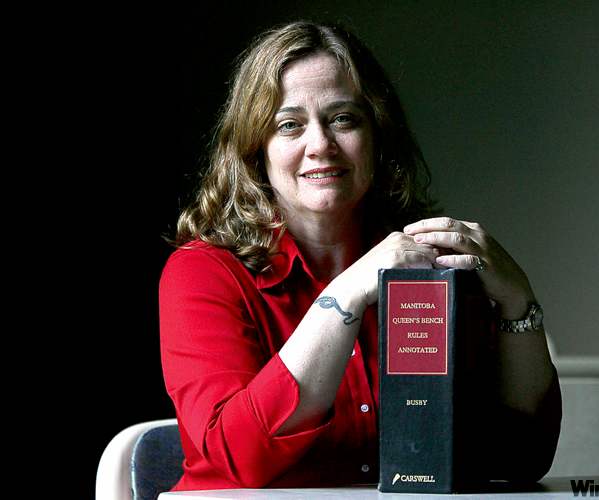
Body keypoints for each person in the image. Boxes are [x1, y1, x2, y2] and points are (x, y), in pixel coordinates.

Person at [159, 20, 561, 491]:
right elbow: (240, 458)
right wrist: (347, 293)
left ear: (377, 136)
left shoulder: (428, 265)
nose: (320, 145)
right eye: (289, 125)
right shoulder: (202, 272)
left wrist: (518, 300)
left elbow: (522, 455)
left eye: (343, 119)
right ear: (255, 149)